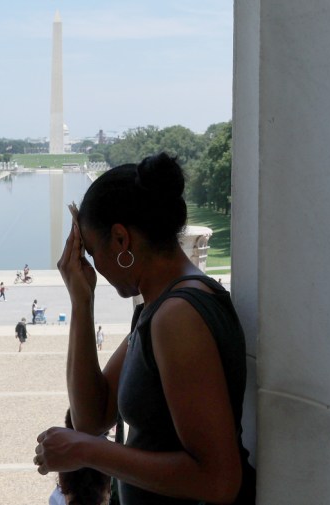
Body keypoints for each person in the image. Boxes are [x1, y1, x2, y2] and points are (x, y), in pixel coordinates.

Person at [33, 153, 255, 504]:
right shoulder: (159, 308)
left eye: (91, 252)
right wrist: (81, 301)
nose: (94, 266)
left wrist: (89, 452)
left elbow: (219, 480)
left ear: (121, 240)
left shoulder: (179, 317)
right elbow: (92, 417)